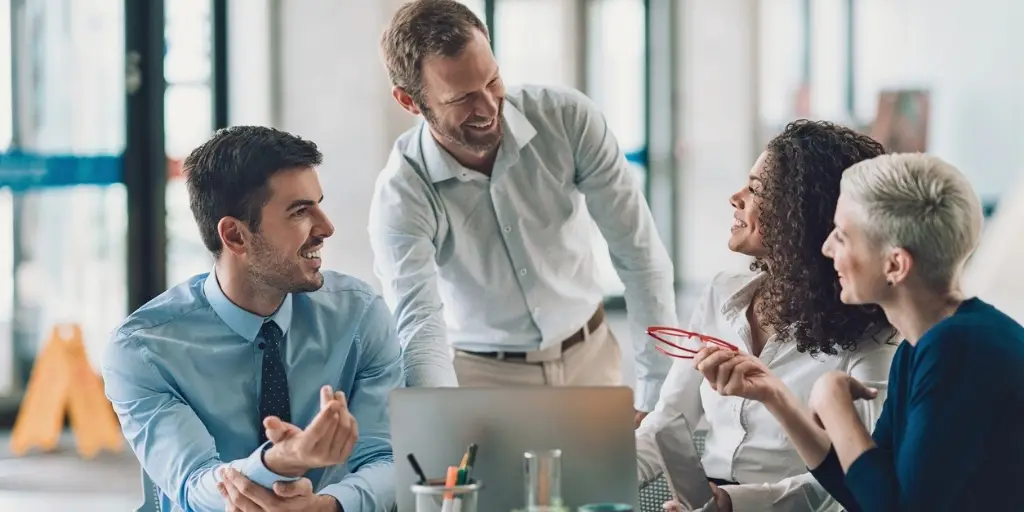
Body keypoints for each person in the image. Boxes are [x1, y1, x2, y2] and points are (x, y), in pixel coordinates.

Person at [370, 0, 676, 422]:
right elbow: (418, 324)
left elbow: (639, 254)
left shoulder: (568, 119)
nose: (489, 107)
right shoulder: (402, 192)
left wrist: (658, 390)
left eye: (492, 80)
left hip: (590, 357)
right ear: (409, 101)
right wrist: (437, 423)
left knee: (605, 490)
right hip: (483, 377)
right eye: (462, 98)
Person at [693, 153, 1024, 511]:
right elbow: (864, 491)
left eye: (844, 236)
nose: (826, 248)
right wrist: (776, 396)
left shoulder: (958, 350)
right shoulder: (922, 346)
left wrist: (836, 408)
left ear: (895, 264)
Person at [101, 126, 402, 512]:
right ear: (236, 236)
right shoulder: (143, 348)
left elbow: (387, 459)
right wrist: (279, 462)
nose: (326, 228)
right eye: (299, 212)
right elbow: (194, 485)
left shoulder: (359, 315)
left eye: (319, 204)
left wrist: (327, 505)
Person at [639, 120, 898, 511]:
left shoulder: (871, 335)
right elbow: (667, 421)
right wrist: (588, 476)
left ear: (801, 214)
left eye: (757, 189)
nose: (735, 197)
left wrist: (732, 502)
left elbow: (851, 482)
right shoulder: (720, 294)